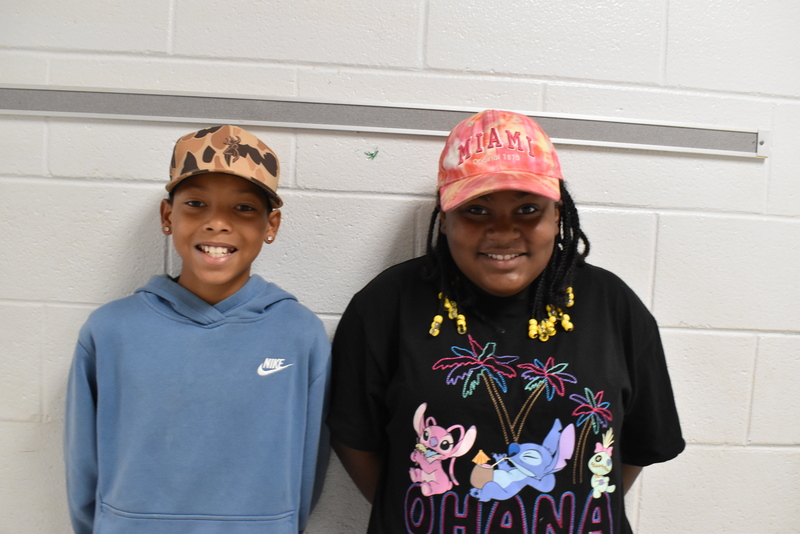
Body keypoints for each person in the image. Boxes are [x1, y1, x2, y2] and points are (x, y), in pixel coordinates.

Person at [328, 109, 684, 533]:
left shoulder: (613, 306)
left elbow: (635, 448)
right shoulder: (387, 304)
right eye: (477, 210)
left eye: (528, 209)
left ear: (558, 215)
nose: (502, 231)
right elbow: (355, 442)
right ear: (445, 220)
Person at [64, 125, 331, 534]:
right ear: (168, 216)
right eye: (196, 204)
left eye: (243, 208)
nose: (217, 224)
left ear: (271, 224)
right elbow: (83, 466)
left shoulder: (299, 334)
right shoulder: (111, 331)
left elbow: (308, 467)